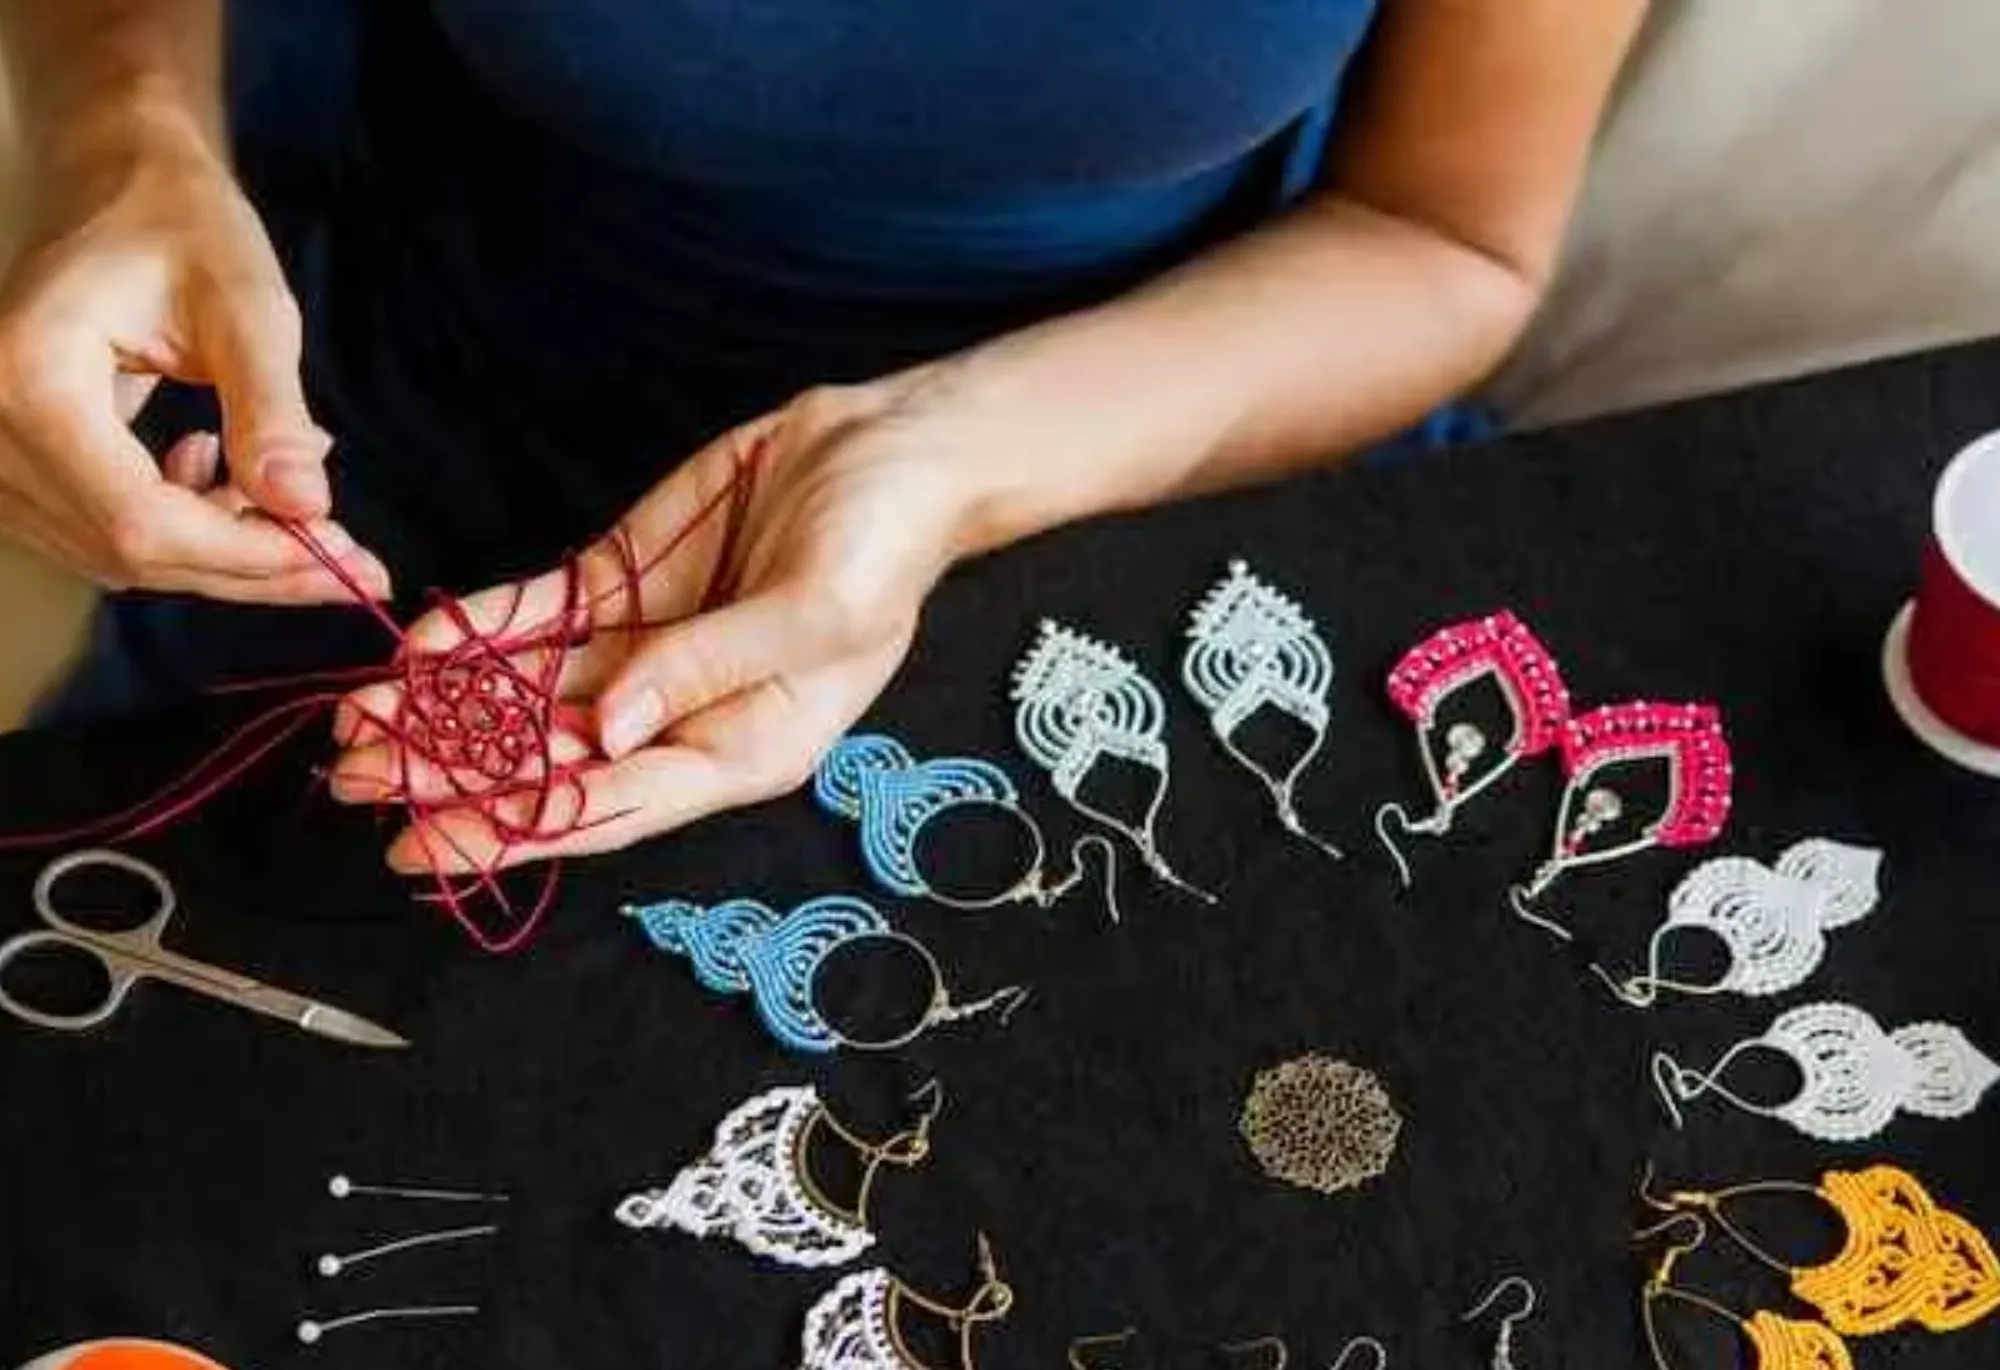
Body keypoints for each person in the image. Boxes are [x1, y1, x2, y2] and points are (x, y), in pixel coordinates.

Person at [0, 0, 1644, 873]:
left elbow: (1447, 233)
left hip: (1174, 495)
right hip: (406, 509)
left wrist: (927, 459)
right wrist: (122, 148)